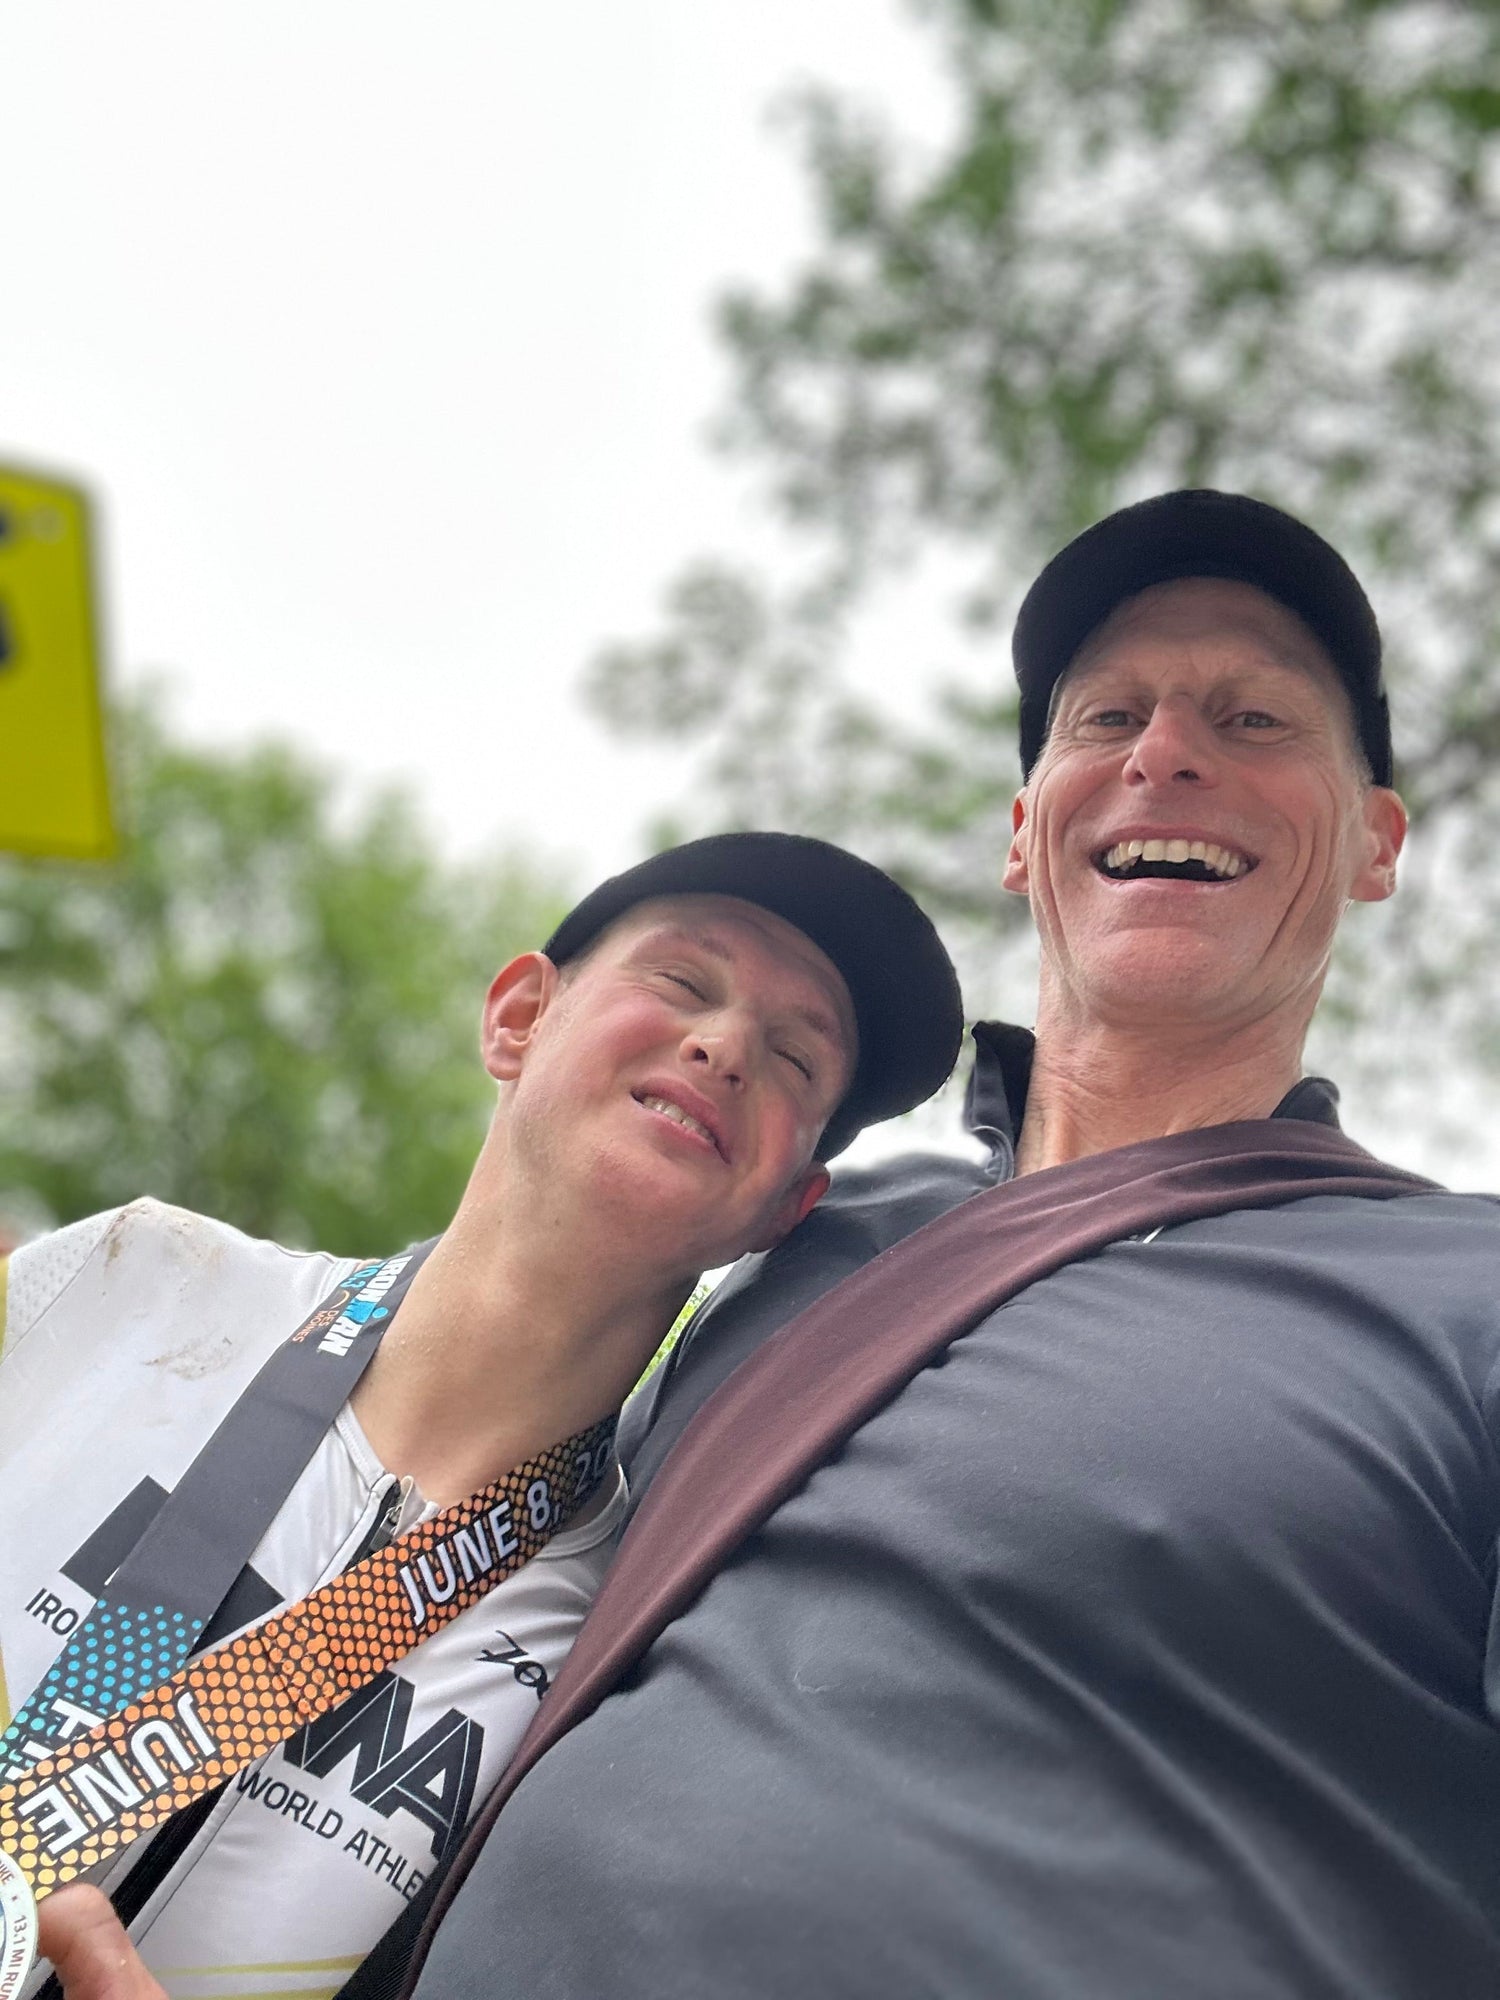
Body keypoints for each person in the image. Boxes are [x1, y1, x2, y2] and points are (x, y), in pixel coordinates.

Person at [382, 490, 1500, 2000]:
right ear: (1025, 833)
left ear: (1377, 846)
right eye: (1107, 716)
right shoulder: (807, 1232)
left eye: (1255, 721)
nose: (1167, 751)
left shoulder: (1462, 1298)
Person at [3, 831, 965, 2000]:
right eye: (680, 981)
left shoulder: (631, 1633)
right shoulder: (124, 1276)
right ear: (518, 1017)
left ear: (786, 1206)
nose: (723, 1047)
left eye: (798, 1060)